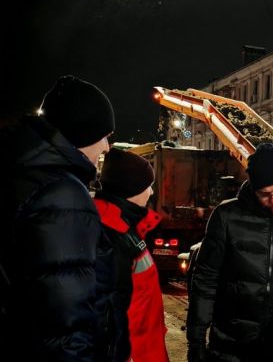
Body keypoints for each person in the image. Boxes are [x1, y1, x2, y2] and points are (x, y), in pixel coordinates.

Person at [0, 75, 115, 361]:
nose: (106, 148)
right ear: (81, 133)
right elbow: (66, 324)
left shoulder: (22, 173)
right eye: (103, 136)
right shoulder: (62, 194)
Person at [185, 143, 273, 362]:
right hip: (231, 344)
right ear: (253, 188)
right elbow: (205, 281)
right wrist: (196, 340)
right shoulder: (226, 216)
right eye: (264, 194)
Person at [94, 148, 170, 362]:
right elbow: (111, 315)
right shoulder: (113, 236)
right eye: (148, 186)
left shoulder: (123, 229)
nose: (152, 193)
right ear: (132, 189)